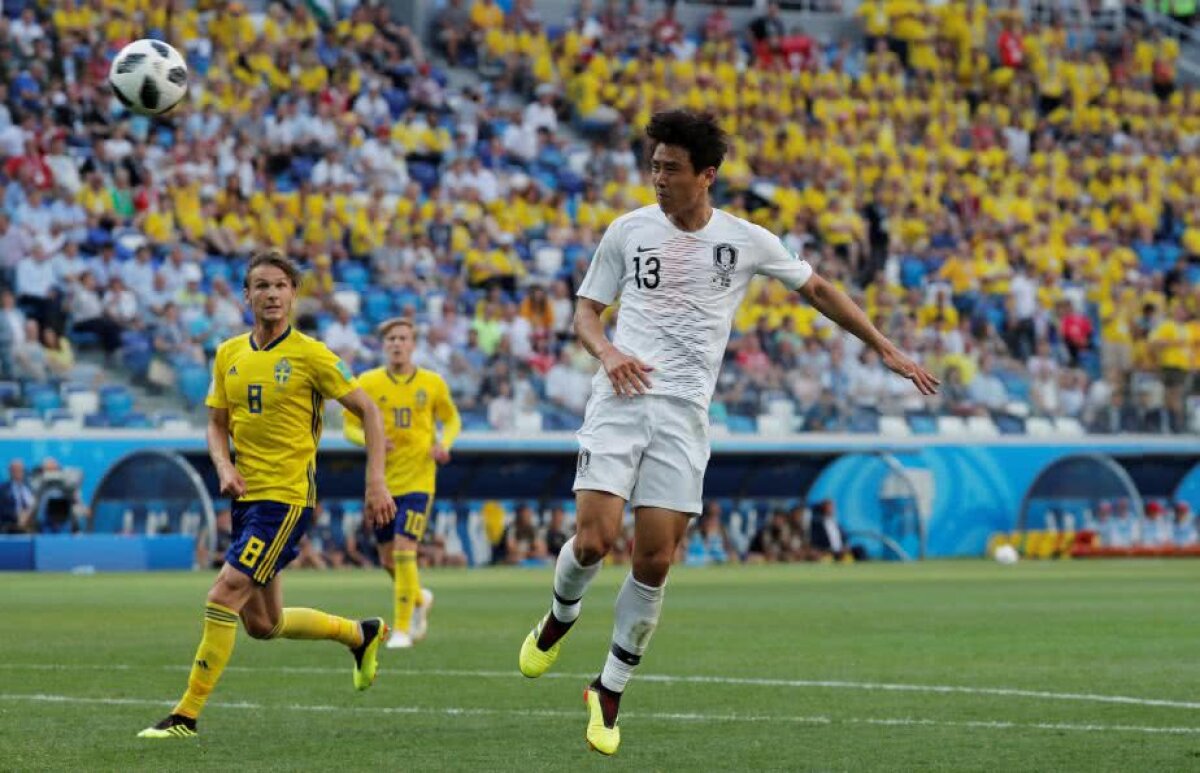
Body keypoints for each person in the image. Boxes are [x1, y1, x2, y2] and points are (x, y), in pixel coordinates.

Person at [516, 110, 938, 755]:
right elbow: (585, 313)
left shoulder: (745, 240)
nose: (658, 178)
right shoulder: (628, 231)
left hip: (686, 416)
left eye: (671, 169)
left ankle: (609, 688)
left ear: (705, 176)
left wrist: (882, 345)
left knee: (654, 560)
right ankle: (560, 615)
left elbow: (818, 288)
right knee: (596, 539)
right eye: (654, 166)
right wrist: (606, 353)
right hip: (622, 399)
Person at [138, 249, 397, 740]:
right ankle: (360, 634)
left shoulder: (312, 355)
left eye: (280, 285)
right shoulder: (228, 353)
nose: (272, 294)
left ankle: (185, 716)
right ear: (247, 295)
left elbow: (370, 411)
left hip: (286, 498)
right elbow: (216, 424)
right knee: (263, 623)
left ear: (293, 294)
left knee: (223, 594)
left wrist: (376, 481)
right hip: (245, 498)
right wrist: (222, 464)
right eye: (262, 285)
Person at [343, 317, 461, 649]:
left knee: (405, 551)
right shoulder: (368, 381)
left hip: (419, 481)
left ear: (412, 344)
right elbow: (349, 426)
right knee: (386, 559)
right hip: (382, 482)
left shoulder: (432, 383)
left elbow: (451, 419)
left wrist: (444, 444)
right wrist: (369, 439)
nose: (397, 343)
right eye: (391, 338)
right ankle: (419, 597)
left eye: (403, 338)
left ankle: (403, 629)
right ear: (384, 345)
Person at [0, 459, 35, 534]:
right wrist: (18, 516)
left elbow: (35, 504)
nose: (18, 472)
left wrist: (27, 516)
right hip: (11, 525)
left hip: (30, 523)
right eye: (15, 470)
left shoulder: (30, 488)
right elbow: (2, 509)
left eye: (20, 470)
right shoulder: (3, 489)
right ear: (10, 472)